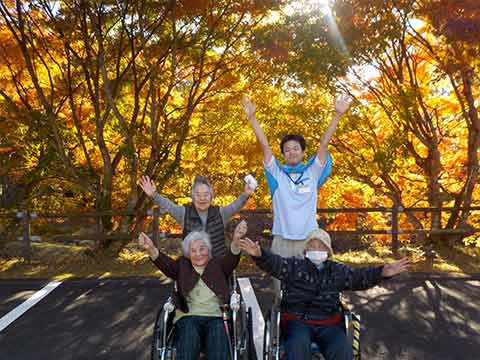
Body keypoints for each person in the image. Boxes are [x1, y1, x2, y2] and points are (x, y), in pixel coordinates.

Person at [238, 228, 410, 360]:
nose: (316, 248)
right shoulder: (294, 267)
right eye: (312, 245)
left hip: (329, 322)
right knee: (298, 345)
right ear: (306, 249)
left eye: (321, 246)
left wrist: (382, 272)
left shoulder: (337, 270)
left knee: (342, 349)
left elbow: (359, 277)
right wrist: (260, 254)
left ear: (328, 251)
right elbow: (275, 264)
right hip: (298, 320)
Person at [241, 95, 352, 259]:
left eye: (295, 148)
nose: (291, 152)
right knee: (281, 284)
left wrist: (337, 114)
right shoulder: (276, 174)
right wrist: (252, 118)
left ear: (302, 152)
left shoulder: (312, 172)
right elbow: (265, 146)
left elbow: (323, 144)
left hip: (309, 240)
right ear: (283, 154)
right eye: (287, 149)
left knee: (309, 284)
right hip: (282, 240)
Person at [138, 220, 248, 360]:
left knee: (218, 342)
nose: (198, 254)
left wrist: (236, 240)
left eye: (202, 249)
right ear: (188, 254)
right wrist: (151, 248)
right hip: (187, 316)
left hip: (216, 316)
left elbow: (232, 257)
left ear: (208, 249)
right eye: (193, 251)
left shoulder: (219, 264)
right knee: (188, 338)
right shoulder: (182, 265)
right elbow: (165, 264)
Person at [140, 174, 255, 257]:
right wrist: (154, 195)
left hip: (218, 264)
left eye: (206, 194)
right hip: (192, 265)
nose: (202, 198)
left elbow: (236, 205)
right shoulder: (183, 213)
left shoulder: (221, 212)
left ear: (211, 197)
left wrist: (246, 194)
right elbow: (168, 205)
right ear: (192, 197)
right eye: (198, 195)